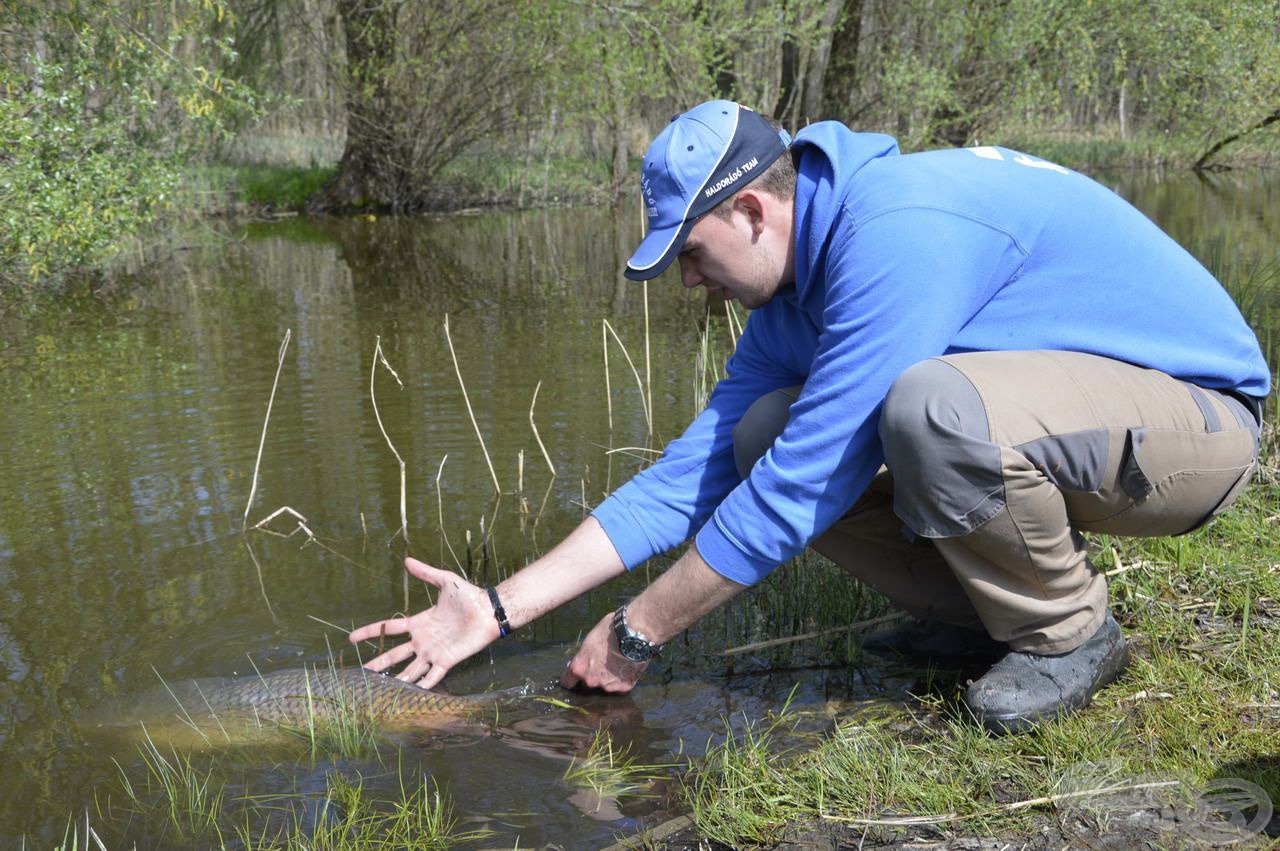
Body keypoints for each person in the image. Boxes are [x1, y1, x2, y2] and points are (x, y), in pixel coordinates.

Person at [350, 100, 1269, 733]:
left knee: (931, 409)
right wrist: (500, 608)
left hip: (1197, 425)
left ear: (751, 210)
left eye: (694, 253)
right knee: (755, 436)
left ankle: (1070, 633)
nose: (688, 281)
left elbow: (803, 487)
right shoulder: (790, 296)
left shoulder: (894, 232)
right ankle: (987, 616)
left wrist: (637, 631)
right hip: (1069, 423)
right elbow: (695, 475)